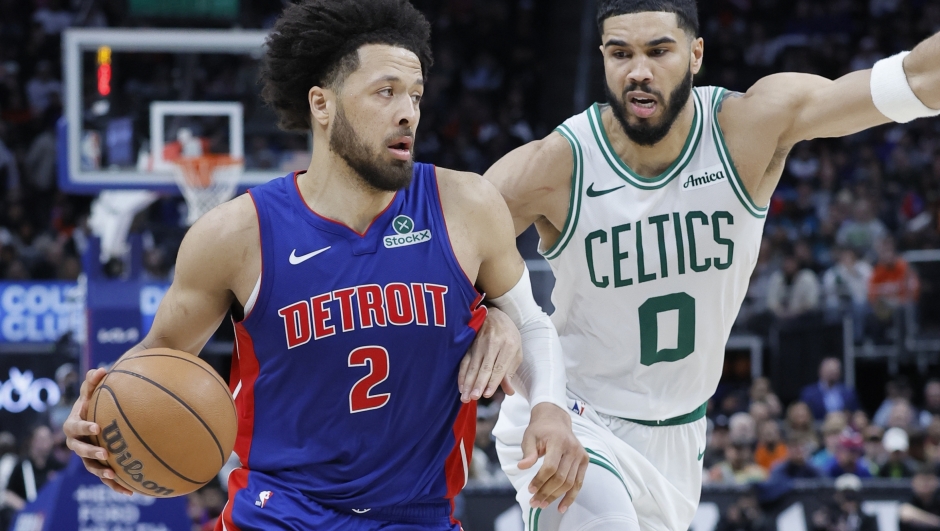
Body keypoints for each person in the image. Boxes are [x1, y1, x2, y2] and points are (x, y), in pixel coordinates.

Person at [63, 1, 588, 530]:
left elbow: (530, 322)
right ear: (322, 103)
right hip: (277, 515)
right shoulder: (234, 236)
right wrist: (99, 411)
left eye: (415, 95)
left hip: (417, 517)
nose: (408, 111)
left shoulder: (466, 206)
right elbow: (160, 356)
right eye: (385, 92)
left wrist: (547, 407)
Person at [484, 0, 940, 526]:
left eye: (659, 51)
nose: (639, 71)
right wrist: (495, 316)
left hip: (681, 435)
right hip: (571, 415)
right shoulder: (557, 163)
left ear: (696, 53)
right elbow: (451, 244)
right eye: (620, 53)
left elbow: (912, 80)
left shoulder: (748, 129)